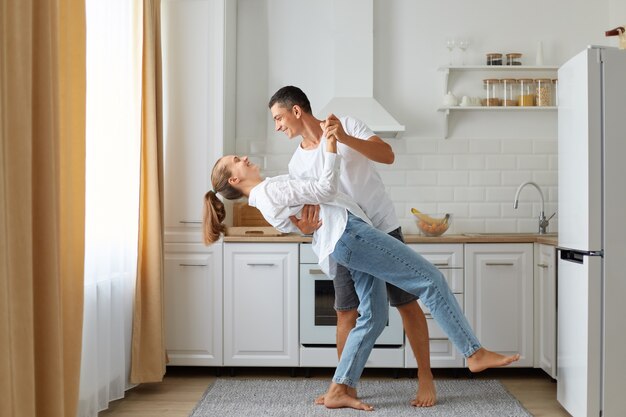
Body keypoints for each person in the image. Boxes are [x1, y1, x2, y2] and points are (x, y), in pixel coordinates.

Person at [202, 134, 520, 412]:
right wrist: (329, 146)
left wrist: (305, 225)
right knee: (429, 279)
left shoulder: (267, 194)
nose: (243, 157)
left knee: (373, 315)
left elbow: (299, 220)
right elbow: (325, 188)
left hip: (346, 238)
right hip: (350, 235)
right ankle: (473, 352)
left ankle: (340, 388)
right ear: (233, 180)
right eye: (236, 160)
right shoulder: (268, 193)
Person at [268, 85, 436, 407]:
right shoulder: (296, 165)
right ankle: (346, 386)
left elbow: (387, 155)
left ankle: (426, 377)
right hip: (344, 239)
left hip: (382, 228)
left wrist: (343, 137)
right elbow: (310, 216)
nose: (278, 126)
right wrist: (305, 227)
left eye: (279, 118)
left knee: (406, 303)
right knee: (346, 313)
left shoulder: (349, 125)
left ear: (296, 110)